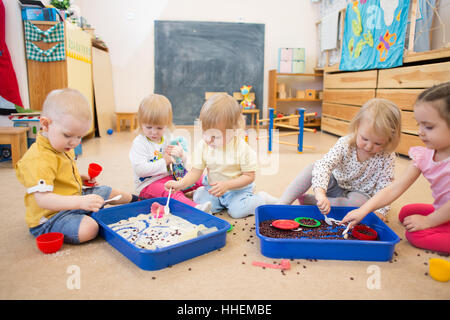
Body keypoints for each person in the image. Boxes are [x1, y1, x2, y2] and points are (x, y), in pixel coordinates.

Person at [15, 89, 138, 244]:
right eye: (68, 135)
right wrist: (80, 202)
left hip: (74, 197)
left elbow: (59, 175)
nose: (74, 143)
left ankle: (140, 201)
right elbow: (43, 200)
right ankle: (91, 218)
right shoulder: (38, 159)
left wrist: (79, 178)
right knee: (89, 228)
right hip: (51, 216)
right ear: (46, 124)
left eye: (80, 136)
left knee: (109, 191)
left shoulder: (63, 146)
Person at [341, 83, 450, 254]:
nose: (420, 132)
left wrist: (429, 221)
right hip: (445, 208)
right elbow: (394, 188)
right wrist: (363, 210)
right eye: (419, 125)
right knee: (407, 213)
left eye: (428, 127)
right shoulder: (425, 155)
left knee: (417, 235)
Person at [260, 98, 402, 220]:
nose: (369, 146)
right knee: (313, 167)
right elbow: (324, 165)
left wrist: (380, 211)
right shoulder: (345, 143)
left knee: (360, 204)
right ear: (357, 127)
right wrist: (320, 191)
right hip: (334, 184)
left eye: (378, 143)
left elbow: (386, 186)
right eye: (364, 138)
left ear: (389, 139)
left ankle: (312, 202)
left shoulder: (387, 156)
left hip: (360, 195)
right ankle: (282, 204)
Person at [164, 93, 265, 218]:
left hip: (237, 191)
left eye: (214, 136)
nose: (207, 139)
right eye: (204, 133)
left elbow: (249, 176)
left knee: (237, 212)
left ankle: (260, 199)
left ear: (233, 131)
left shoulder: (242, 148)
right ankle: (216, 200)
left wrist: (227, 185)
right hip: (213, 190)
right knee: (199, 198)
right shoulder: (204, 145)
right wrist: (181, 184)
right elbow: (196, 172)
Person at [129, 94, 210, 212]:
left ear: (167, 124)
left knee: (198, 178)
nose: (154, 132)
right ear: (141, 123)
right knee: (172, 193)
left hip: (171, 177)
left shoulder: (167, 136)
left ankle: (222, 189)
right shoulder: (139, 143)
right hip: (148, 185)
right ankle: (196, 208)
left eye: (159, 128)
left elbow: (180, 164)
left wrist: (181, 155)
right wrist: (164, 161)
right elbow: (140, 170)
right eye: (149, 127)